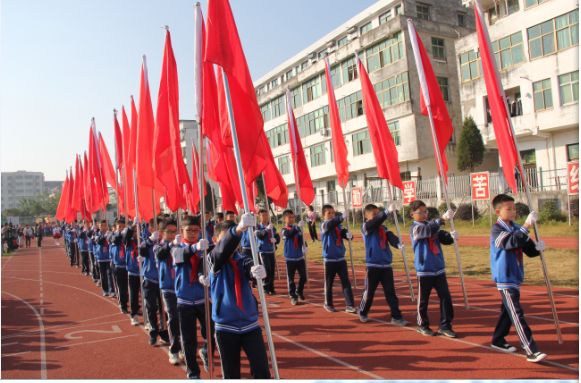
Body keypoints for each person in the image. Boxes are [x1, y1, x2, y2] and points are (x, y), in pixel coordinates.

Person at [208, 215, 270, 379]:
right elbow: (222, 251)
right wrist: (237, 230)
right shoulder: (213, 260)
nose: (233, 245)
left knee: (262, 371)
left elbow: (248, 265)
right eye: (227, 239)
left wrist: (256, 272)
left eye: (236, 241)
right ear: (215, 240)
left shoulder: (243, 258)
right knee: (231, 374)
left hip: (250, 324)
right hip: (226, 327)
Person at [489, 194, 546, 363]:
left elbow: (528, 249)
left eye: (514, 208)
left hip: (515, 275)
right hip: (504, 277)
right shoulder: (496, 230)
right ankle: (530, 349)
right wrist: (527, 225)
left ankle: (498, 339)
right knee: (517, 314)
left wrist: (538, 247)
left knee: (508, 311)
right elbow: (510, 243)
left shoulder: (516, 227)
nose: (513, 212)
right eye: (509, 209)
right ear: (498, 211)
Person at [172, 215, 213, 379]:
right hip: (185, 300)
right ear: (182, 231)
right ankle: (193, 372)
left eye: (196, 230)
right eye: (189, 230)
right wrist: (194, 248)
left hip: (203, 298)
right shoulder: (177, 247)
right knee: (189, 340)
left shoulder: (204, 247)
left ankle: (206, 351)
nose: (193, 233)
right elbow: (179, 257)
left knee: (211, 333)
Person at [409, 200, 457, 338]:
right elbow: (427, 231)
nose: (424, 214)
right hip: (424, 269)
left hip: (438, 268)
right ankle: (423, 325)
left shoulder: (432, 226)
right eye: (421, 212)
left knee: (445, 297)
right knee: (423, 300)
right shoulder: (415, 228)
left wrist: (451, 237)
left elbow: (442, 237)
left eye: (426, 212)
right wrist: (441, 219)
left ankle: (445, 325)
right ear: (412, 214)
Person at [358, 204, 407, 326]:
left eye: (378, 213)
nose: (377, 217)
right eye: (374, 215)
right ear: (366, 216)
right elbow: (374, 223)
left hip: (386, 266)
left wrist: (398, 244)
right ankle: (363, 311)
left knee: (391, 293)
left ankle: (396, 316)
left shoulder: (384, 228)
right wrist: (385, 213)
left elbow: (391, 237)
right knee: (369, 292)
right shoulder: (366, 227)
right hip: (373, 266)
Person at [154, 218, 183, 364]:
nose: (172, 234)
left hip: (182, 287)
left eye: (174, 231)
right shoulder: (158, 246)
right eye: (169, 232)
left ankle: (183, 345)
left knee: (183, 318)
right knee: (173, 318)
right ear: (161, 233)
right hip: (168, 288)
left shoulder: (180, 245)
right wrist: (172, 244)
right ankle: (174, 349)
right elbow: (161, 254)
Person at [139, 217, 170, 348]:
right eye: (155, 227)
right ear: (151, 229)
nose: (158, 230)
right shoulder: (146, 242)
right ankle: (153, 330)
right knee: (152, 307)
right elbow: (142, 250)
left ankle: (163, 331)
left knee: (165, 309)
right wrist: (151, 239)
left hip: (163, 280)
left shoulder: (165, 243)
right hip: (150, 280)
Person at [320, 204, 356, 313]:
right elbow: (331, 224)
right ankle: (328, 303)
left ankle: (350, 305)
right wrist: (341, 218)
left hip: (340, 259)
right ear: (323, 216)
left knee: (346, 282)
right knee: (329, 283)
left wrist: (348, 235)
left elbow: (342, 232)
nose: (331, 215)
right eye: (328, 213)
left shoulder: (338, 226)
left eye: (333, 213)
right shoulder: (324, 225)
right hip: (329, 260)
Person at [280, 209, 307, 305]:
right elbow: (289, 234)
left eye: (293, 217)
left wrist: (305, 245)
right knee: (291, 279)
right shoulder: (284, 230)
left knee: (304, 277)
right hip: (290, 258)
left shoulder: (298, 228)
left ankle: (299, 291)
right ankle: (293, 296)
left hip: (299, 257)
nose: (291, 219)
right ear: (284, 219)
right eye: (289, 217)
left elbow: (301, 238)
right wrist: (296, 228)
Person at [255, 209, 280, 296]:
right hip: (263, 251)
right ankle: (265, 287)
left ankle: (271, 287)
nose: (265, 217)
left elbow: (277, 237)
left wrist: (275, 240)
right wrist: (266, 229)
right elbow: (260, 236)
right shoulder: (257, 227)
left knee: (272, 270)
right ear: (259, 217)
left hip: (271, 250)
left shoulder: (272, 226)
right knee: (266, 269)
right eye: (263, 215)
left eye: (266, 215)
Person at [109, 217, 129, 314]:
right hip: (118, 266)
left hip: (128, 266)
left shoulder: (126, 237)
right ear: (116, 227)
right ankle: (123, 305)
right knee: (122, 288)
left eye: (123, 227)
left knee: (128, 288)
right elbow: (115, 239)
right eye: (119, 227)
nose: (121, 228)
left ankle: (128, 303)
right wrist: (120, 233)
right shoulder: (112, 236)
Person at [124, 222, 141, 326]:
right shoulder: (128, 242)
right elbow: (126, 235)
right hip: (133, 272)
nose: (136, 233)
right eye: (134, 231)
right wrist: (132, 226)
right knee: (134, 295)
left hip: (143, 273)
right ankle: (133, 315)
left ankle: (147, 317)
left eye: (137, 231)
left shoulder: (143, 240)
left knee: (145, 297)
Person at [95, 220, 114, 297]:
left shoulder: (110, 234)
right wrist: (105, 235)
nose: (103, 227)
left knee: (110, 274)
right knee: (103, 275)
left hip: (109, 257)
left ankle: (112, 290)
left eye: (105, 225)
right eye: (102, 225)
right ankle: (105, 290)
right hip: (101, 257)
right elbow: (99, 241)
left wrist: (110, 234)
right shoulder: (96, 234)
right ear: (99, 227)